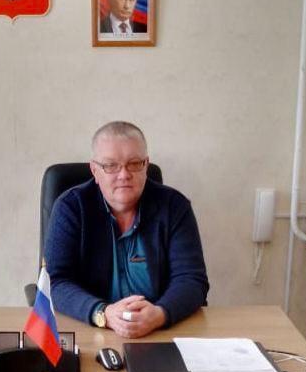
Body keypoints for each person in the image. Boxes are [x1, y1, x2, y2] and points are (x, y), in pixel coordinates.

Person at [45, 122, 209, 338]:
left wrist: (159, 315)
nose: (123, 174)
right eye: (110, 165)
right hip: (93, 331)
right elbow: (56, 282)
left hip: (161, 331)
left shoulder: (174, 207)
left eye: (134, 164)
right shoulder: (71, 208)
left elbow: (191, 279)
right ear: (94, 170)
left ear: (146, 165)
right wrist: (103, 314)